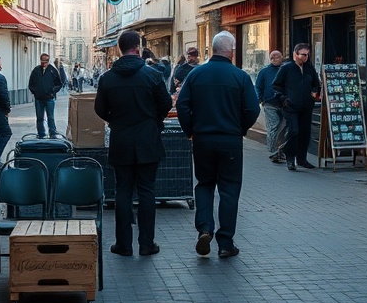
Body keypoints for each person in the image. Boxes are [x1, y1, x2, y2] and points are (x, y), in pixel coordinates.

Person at [176, 31, 260, 259]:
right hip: (230, 140)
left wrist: (190, 130)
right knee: (229, 190)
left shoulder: (196, 75)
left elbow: (182, 106)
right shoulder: (240, 77)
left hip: (203, 139)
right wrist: (240, 128)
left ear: (212, 50)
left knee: (204, 184)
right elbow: (253, 109)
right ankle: (225, 242)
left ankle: (204, 229)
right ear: (231, 51)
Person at [94, 30, 173, 257]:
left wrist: (115, 120)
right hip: (148, 139)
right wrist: (153, 120)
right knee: (147, 192)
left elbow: (100, 109)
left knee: (123, 191)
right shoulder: (152, 75)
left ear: (119, 49)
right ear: (137, 48)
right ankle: (147, 244)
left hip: (121, 140)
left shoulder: (107, 78)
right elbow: (166, 103)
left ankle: (124, 244)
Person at [272, 42, 321, 171]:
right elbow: (276, 85)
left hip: (306, 105)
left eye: (307, 55)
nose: (305, 57)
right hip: (291, 106)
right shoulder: (287, 68)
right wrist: (283, 99)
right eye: (303, 55)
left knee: (305, 133)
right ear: (295, 54)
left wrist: (315, 91)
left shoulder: (309, 68)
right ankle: (289, 158)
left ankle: (301, 159)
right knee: (293, 131)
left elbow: (316, 83)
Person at [255, 50, 286, 163]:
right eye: (272, 57)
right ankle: (273, 151)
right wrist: (260, 99)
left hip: (285, 104)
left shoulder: (286, 70)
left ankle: (281, 150)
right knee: (273, 126)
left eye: (277, 57)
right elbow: (258, 86)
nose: (275, 59)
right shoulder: (264, 71)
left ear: (282, 57)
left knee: (285, 128)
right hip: (269, 103)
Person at [28, 53, 63, 138]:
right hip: (39, 98)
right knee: (39, 118)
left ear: (48, 61)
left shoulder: (53, 70)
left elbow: (59, 83)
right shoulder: (36, 70)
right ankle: (41, 133)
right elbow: (31, 84)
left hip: (49, 98)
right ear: (40, 60)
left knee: (50, 117)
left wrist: (53, 91)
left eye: (46, 61)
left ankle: (52, 133)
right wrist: (35, 92)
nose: (44, 63)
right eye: (42, 60)